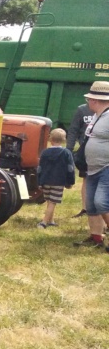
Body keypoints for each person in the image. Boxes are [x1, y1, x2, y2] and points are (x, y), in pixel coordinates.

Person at [74, 81, 109, 250]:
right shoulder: (98, 115)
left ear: (95, 101)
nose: (88, 102)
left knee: (102, 202)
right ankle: (96, 238)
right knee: (91, 205)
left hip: (106, 166)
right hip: (93, 167)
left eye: (89, 99)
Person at [36, 128, 75, 229]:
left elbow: (40, 168)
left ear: (51, 139)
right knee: (53, 202)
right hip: (58, 181)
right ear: (64, 140)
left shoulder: (45, 153)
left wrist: (39, 181)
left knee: (49, 201)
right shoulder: (66, 153)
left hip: (45, 181)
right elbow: (70, 169)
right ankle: (44, 222)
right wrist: (70, 181)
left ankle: (51, 220)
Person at [67, 102, 93, 217]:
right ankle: (85, 209)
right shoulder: (82, 110)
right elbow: (73, 130)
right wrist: (68, 149)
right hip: (85, 151)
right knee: (86, 178)